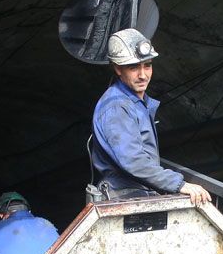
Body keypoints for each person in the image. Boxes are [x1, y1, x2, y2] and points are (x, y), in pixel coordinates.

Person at [90, 27, 211, 204]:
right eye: (133, 68)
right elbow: (133, 161)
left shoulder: (135, 102)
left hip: (136, 193)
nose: (143, 75)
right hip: (122, 197)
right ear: (117, 68)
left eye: (147, 65)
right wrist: (179, 184)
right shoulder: (117, 107)